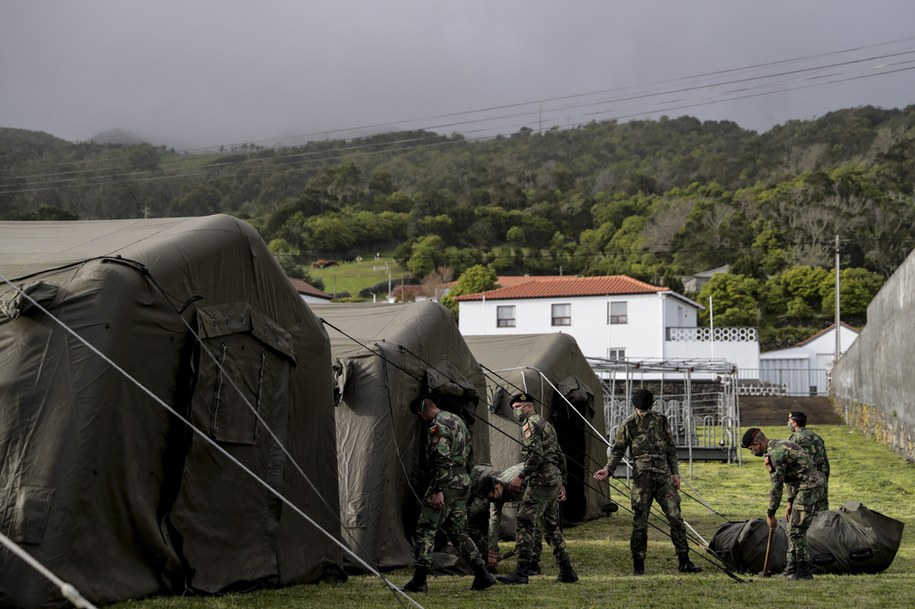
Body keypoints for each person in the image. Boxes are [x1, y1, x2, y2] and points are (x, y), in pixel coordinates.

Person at [593, 388, 702, 575]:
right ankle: (639, 565)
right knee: (640, 522)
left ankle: (684, 561)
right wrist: (608, 469)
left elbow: (670, 449)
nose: (643, 410)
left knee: (675, 517)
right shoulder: (628, 424)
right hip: (642, 478)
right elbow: (618, 450)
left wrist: (675, 473)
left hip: (663, 475)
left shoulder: (661, 420)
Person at [401, 394, 495, 593]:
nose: (421, 421)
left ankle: (419, 580)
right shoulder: (457, 420)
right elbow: (470, 455)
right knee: (457, 531)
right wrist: (466, 481)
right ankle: (482, 573)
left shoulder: (437, 426)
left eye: (419, 417)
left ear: (421, 412)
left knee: (425, 529)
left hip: (446, 482)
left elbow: (441, 460)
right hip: (462, 482)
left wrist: (437, 490)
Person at [496, 393, 579, 585]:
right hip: (553, 478)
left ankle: (522, 571)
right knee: (550, 528)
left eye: (518, 406)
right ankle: (567, 571)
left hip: (541, 479)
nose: (515, 411)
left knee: (525, 520)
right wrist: (562, 481)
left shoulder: (530, 424)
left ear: (529, 406)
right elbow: (560, 454)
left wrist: (521, 475)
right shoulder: (547, 424)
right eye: (514, 407)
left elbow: (535, 455)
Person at [741, 427, 825, 580]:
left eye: (751, 448)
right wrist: (789, 503)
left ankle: (804, 571)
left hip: (809, 487)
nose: (752, 452)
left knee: (796, 530)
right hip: (802, 486)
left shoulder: (775, 454)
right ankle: (792, 568)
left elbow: (776, 486)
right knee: (790, 527)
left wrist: (770, 513)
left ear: (757, 444)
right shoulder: (781, 444)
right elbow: (792, 478)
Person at [468, 463, 543, 574]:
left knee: (530, 523)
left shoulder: (515, 483)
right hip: (531, 489)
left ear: (497, 487)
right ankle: (527, 563)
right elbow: (494, 522)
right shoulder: (495, 496)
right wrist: (492, 551)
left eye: (491, 497)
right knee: (524, 524)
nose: (491, 501)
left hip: (541, 483)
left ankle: (533, 564)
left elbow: (541, 468)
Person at [787, 411, 830, 511]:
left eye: (789, 421)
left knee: (802, 518)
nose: (788, 423)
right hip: (820, 481)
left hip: (804, 484)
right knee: (823, 517)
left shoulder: (794, 440)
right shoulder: (817, 437)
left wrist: (790, 496)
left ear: (794, 423)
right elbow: (825, 463)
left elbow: (790, 467)